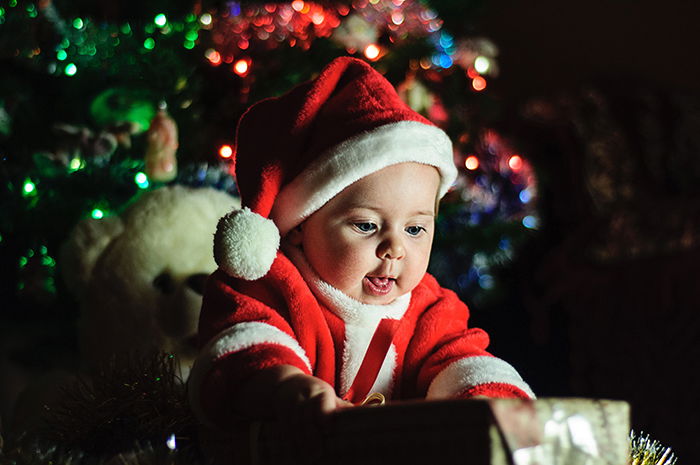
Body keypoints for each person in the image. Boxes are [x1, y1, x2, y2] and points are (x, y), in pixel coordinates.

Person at [188, 57, 534, 443]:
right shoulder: (271, 286)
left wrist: (494, 401)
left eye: (415, 228)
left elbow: (461, 361)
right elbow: (239, 352)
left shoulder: (429, 308)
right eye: (367, 225)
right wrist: (284, 387)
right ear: (301, 225)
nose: (394, 249)